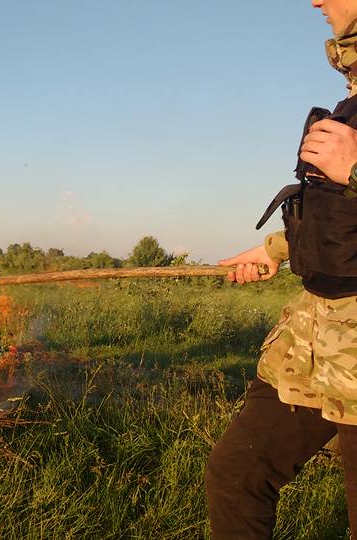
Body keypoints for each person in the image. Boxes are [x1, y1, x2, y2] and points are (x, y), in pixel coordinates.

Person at [205, 1, 357, 536]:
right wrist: (275, 248)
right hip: (319, 342)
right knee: (238, 472)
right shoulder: (353, 98)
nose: (315, 0)